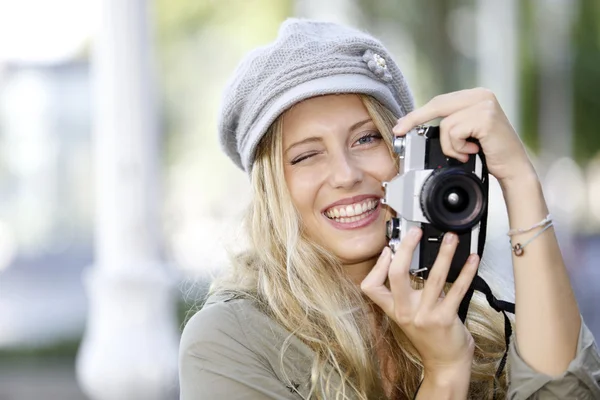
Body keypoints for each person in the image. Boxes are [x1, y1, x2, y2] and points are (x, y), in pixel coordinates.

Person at [179, 18, 600, 399]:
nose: (345, 174)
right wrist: (445, 372)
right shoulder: (230, 340)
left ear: (406, 157)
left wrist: (521, 183)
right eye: (306, 156)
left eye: (366, 139)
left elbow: (563, 394)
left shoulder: (466, 307)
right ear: (273, 189)